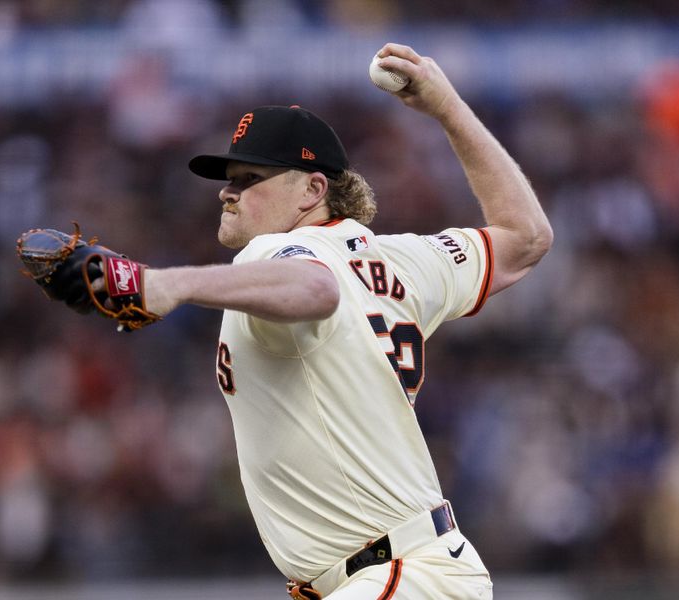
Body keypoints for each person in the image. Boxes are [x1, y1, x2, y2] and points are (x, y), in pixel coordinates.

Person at [143, 43, 553, 599]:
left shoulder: (274, 253)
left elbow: (315, 287)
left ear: (313, 189)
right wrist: (448, 108)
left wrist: (171, 284)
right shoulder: (402, 259)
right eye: (228, 177)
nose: (228, 191)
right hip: (417, 571)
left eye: (250, 177)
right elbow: (526, 237)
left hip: (391, 573)